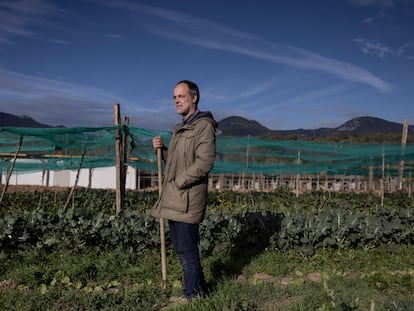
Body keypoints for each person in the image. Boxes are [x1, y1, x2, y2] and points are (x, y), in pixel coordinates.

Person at [151, 80, 217, 299]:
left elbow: (204, 162)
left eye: (181, 96)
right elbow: (175, 161)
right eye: (174, 97)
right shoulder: (179, 128)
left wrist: (179, 181)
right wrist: (162, 151)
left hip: (188, 198)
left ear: (194, 97)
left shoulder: (203, 126)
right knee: (182, 249)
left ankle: (194, 296)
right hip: (175, 197)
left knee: (188, 251)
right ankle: (197, 290)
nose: (177, 101)